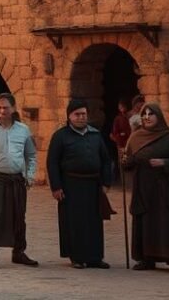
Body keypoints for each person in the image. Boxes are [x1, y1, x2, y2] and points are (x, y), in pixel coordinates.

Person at [122, 103, 169, 276]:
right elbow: (128, 161)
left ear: (159, 116)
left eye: (151, 114)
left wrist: (165, 163)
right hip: (144, 188)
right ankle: (147, 258)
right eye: (144, 114)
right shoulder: (136, 137)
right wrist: (125, 162)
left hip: (165, 188)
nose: (147, 117)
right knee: (146, 223)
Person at [46, 99, 114, 269]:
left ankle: (95, 257)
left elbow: (106, 160)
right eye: (77, 114)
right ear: (69, 116)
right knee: (74, 221)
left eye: (84, 114)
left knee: (93, 221)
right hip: (70, 185)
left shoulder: (95, 135)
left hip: (93, 185)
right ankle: (76, 256)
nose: (81, 117)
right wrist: (56, 186)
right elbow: (52, 162)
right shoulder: (60, 136)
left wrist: (106, 183)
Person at [0, 92, 39, 269]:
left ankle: (18, 252)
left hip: (17, 179)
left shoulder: (23, 130)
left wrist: (30, 175)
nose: (2, 111)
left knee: (19, 214)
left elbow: (31, 155)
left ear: (13, 108)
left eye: (5, 107)